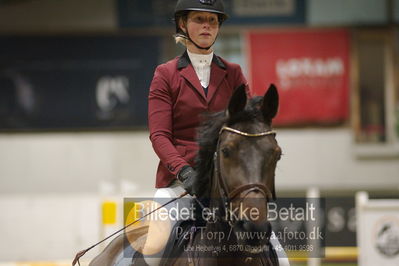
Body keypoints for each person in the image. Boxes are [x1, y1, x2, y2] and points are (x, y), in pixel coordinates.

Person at [138, 0, 290, 265]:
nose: (207, 26)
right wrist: (184, 171)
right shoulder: (166, 74)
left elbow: (247, 128)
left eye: (213, 20)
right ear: (183, 24)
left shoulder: (233, 73)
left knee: (281, 256)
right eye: (199, 19)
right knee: (154, 251)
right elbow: (159, 136)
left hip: (229, 183)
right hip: (179, 184)